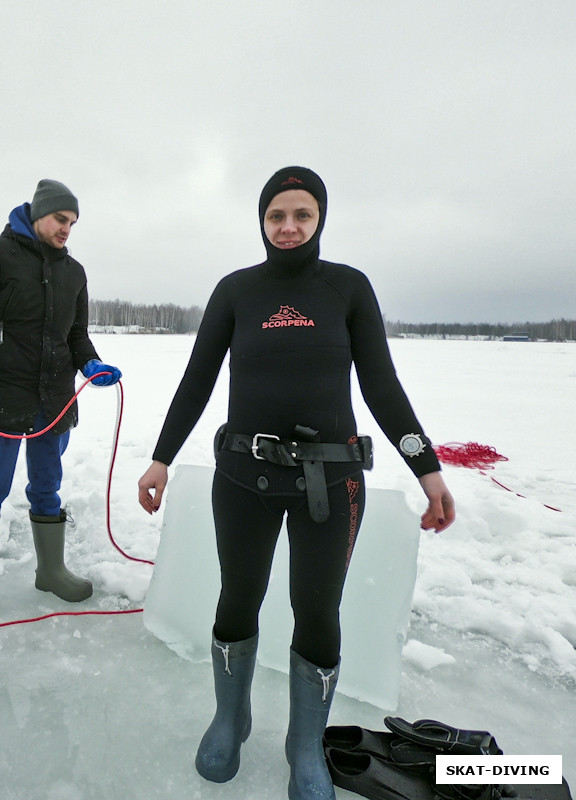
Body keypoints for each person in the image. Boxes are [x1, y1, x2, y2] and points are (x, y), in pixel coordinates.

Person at [137, 166, 455, 800]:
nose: (288, 227)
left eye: (301, 215)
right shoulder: (235, 291)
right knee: (236, 601)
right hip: (242, 477)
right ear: (261, 220)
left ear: (320, 221)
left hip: (331, 485)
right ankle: (232, 717)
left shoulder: (348, 289)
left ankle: (305, 742)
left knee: (317, 611)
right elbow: (197, 380)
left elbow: (382, 386)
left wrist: (427, 467)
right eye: (277, 215)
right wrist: (161, 457)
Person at [0, 178, 121, 621]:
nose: (67, 230)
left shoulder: (73, 272)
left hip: (53, 396)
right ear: (38, 214)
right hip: (1, 394)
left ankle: (51, 570)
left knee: (47, 485)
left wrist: (91, 364)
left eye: (73, 223)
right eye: (61, 219)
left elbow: (76, 334)